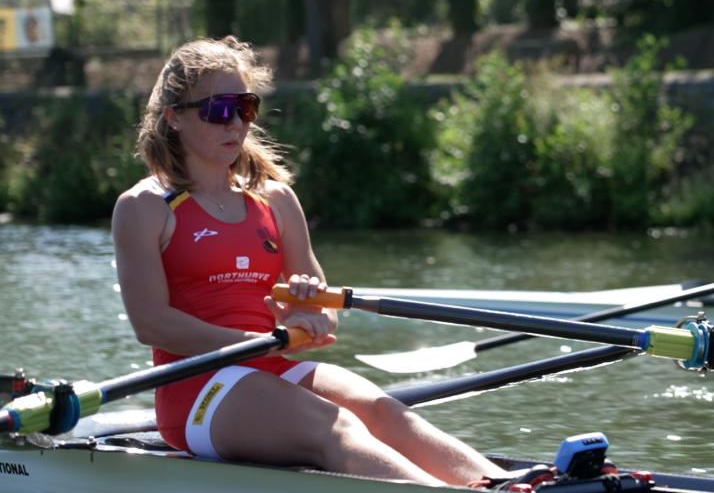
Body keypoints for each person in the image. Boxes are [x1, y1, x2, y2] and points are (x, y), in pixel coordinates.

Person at [111, 37, 520, 486]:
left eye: (244, 107)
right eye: (217, 109)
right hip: (199, 390)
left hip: (275, 365)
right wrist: (257, 339)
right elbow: (151, 324)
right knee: (338, 427)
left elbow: (323, 310)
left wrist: (308, 314)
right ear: (174, 117)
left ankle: (506, 485)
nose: (235, 123)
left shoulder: (276, 200)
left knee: (385, 412)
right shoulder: (144, 207)